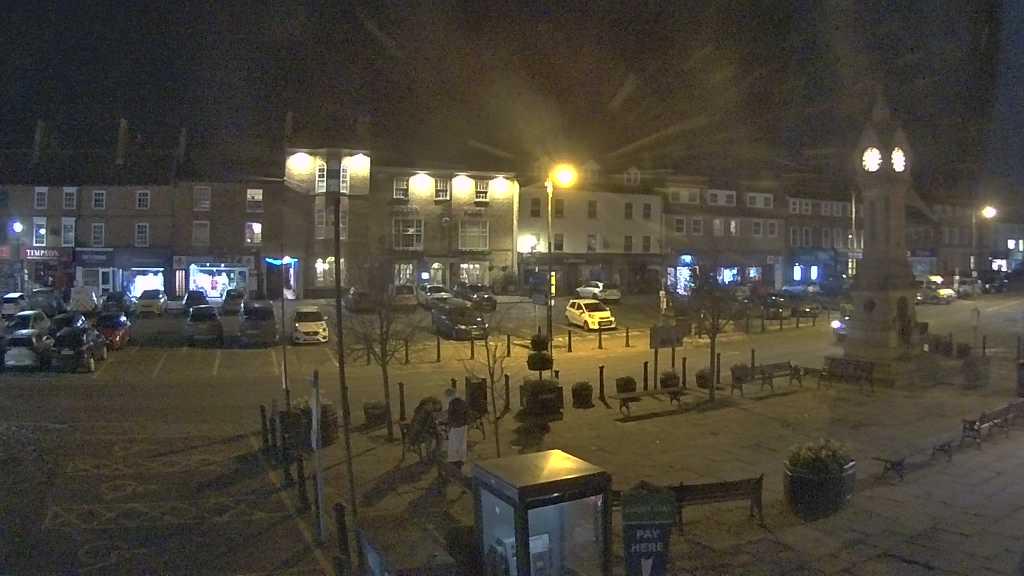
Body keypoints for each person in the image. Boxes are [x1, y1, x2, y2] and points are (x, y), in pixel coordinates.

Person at [446, 391, 469, 468]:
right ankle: (462, 458)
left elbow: (450, 415)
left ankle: (454, 459)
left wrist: (449, 425)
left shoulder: (452, 403)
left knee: (453, 443)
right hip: (464, 425)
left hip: (455, 426)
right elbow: (466, 413)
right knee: (462, 442)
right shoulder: (463, 402)